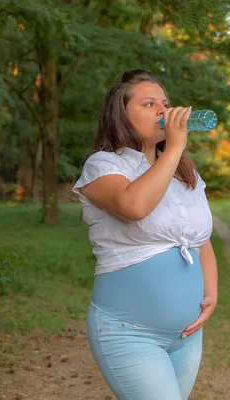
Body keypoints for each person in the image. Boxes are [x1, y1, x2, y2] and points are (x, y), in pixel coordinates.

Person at [72, 69, 218, 400]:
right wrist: (175, 148)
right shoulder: (104, 166)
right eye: (149, 104)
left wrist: (212, 292)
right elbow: (134, 205)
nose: (163, 112)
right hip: (128, 333)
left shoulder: (184, 174)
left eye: (165, 104)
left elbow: (200, 238)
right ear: (120, 114)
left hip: (186, 336)